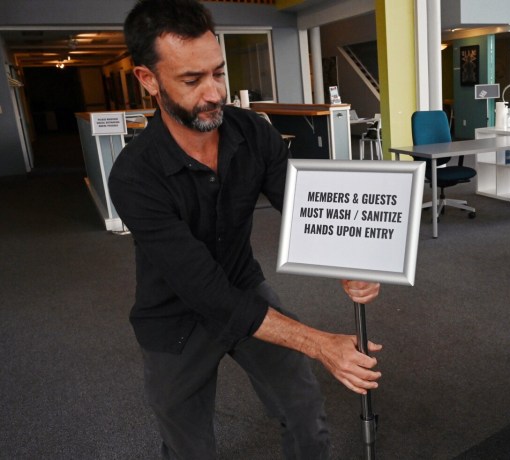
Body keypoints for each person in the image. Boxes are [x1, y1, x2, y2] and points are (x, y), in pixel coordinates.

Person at [109, 1, 382, 458]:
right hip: (174, 315)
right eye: (192, 80)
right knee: (188, 446)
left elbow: (302, 210)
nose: (215, 92)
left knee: (303, 409)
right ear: (148, 80)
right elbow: (202, 288)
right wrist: (318, 343)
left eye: (218, 72)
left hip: (242, 283)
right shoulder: (135, 176)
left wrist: (347, 264)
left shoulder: (254, 132)